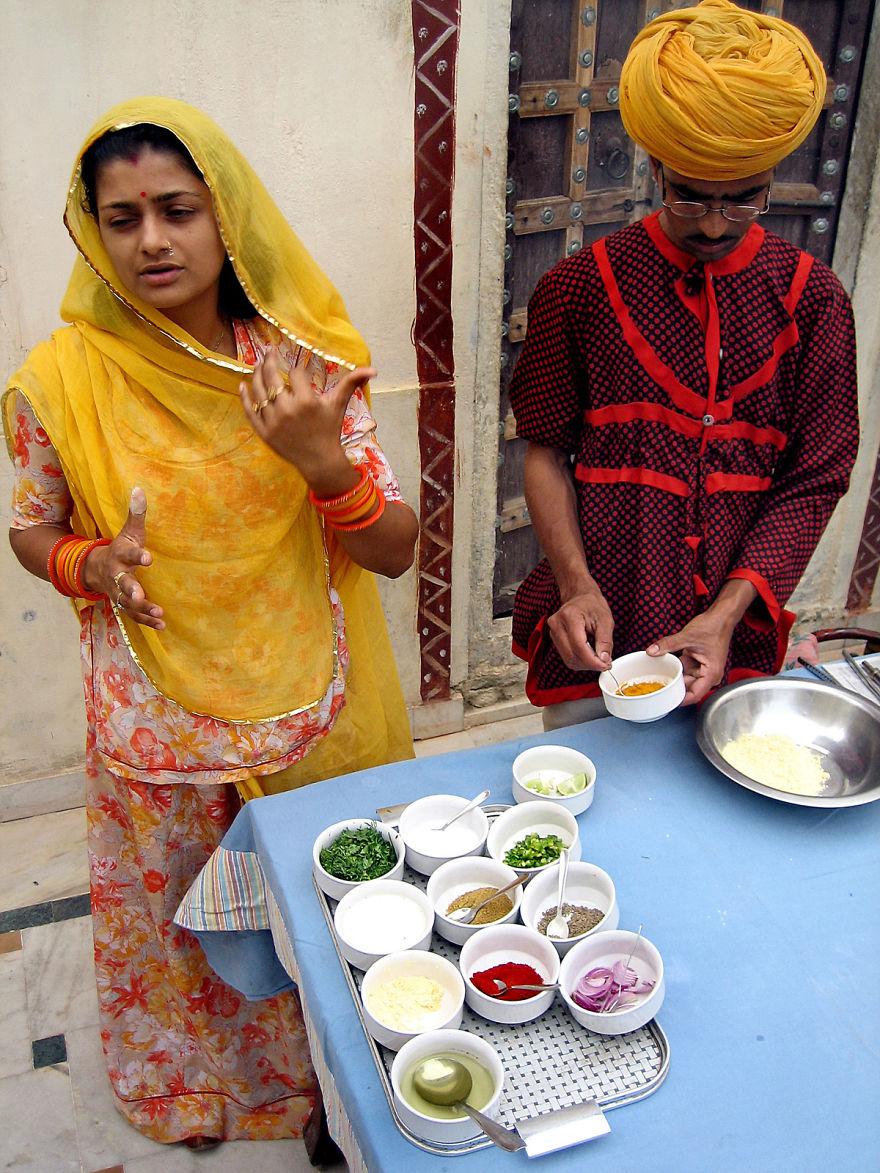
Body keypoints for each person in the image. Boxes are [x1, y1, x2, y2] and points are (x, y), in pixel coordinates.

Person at [3, 96, 418, 1150]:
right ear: (90, 231)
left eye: (176, 208)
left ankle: (335, 1087)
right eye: (121, 215)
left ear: (225, 214)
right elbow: (31, 527)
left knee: (320, 917)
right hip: (156, 720)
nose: (150, 239)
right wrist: (88, 562)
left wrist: (325, 466)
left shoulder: (301, 367)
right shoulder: (60, 380)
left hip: (306, 709)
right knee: (182, 927)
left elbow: (392, 548)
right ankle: (203, 1092)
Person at [509, 0, 859, 729]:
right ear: (655, 165)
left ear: (773, 176)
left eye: (742, 201)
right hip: (599, 640)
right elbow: (545, 449)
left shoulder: (814, 302)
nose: (710, 223)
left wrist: (728, 613)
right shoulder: (577, 290)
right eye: (689, 195)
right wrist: (576, 587)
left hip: (736, 643)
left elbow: (817, 476)